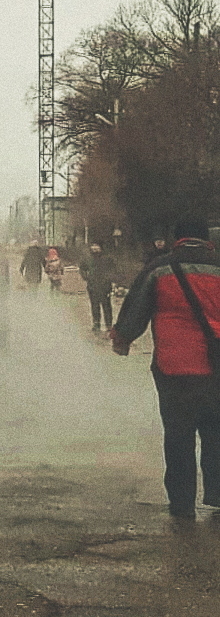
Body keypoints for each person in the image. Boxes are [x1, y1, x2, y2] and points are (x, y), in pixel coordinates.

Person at [111, 215, 220, 519]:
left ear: (178, 239)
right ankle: (218, 494)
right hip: (218, 368)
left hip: (176, 368)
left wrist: (122, 338)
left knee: (179, 435)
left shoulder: (160, 268)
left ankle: (183, 503)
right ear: (207, 240)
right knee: (216, 431)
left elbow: (136, 306)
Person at [80, 242, 115, 334]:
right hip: (92, 285)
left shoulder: (107, 258)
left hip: (105, 286)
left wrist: (109, 280)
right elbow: (82, 269)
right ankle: (96, 323)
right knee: (94, 305)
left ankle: (109, 324)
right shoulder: (88, 259)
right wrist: (86, 277)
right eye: (93, 246)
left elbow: (113, 270)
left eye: (97, 246)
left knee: (106, 305)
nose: (95, 248)